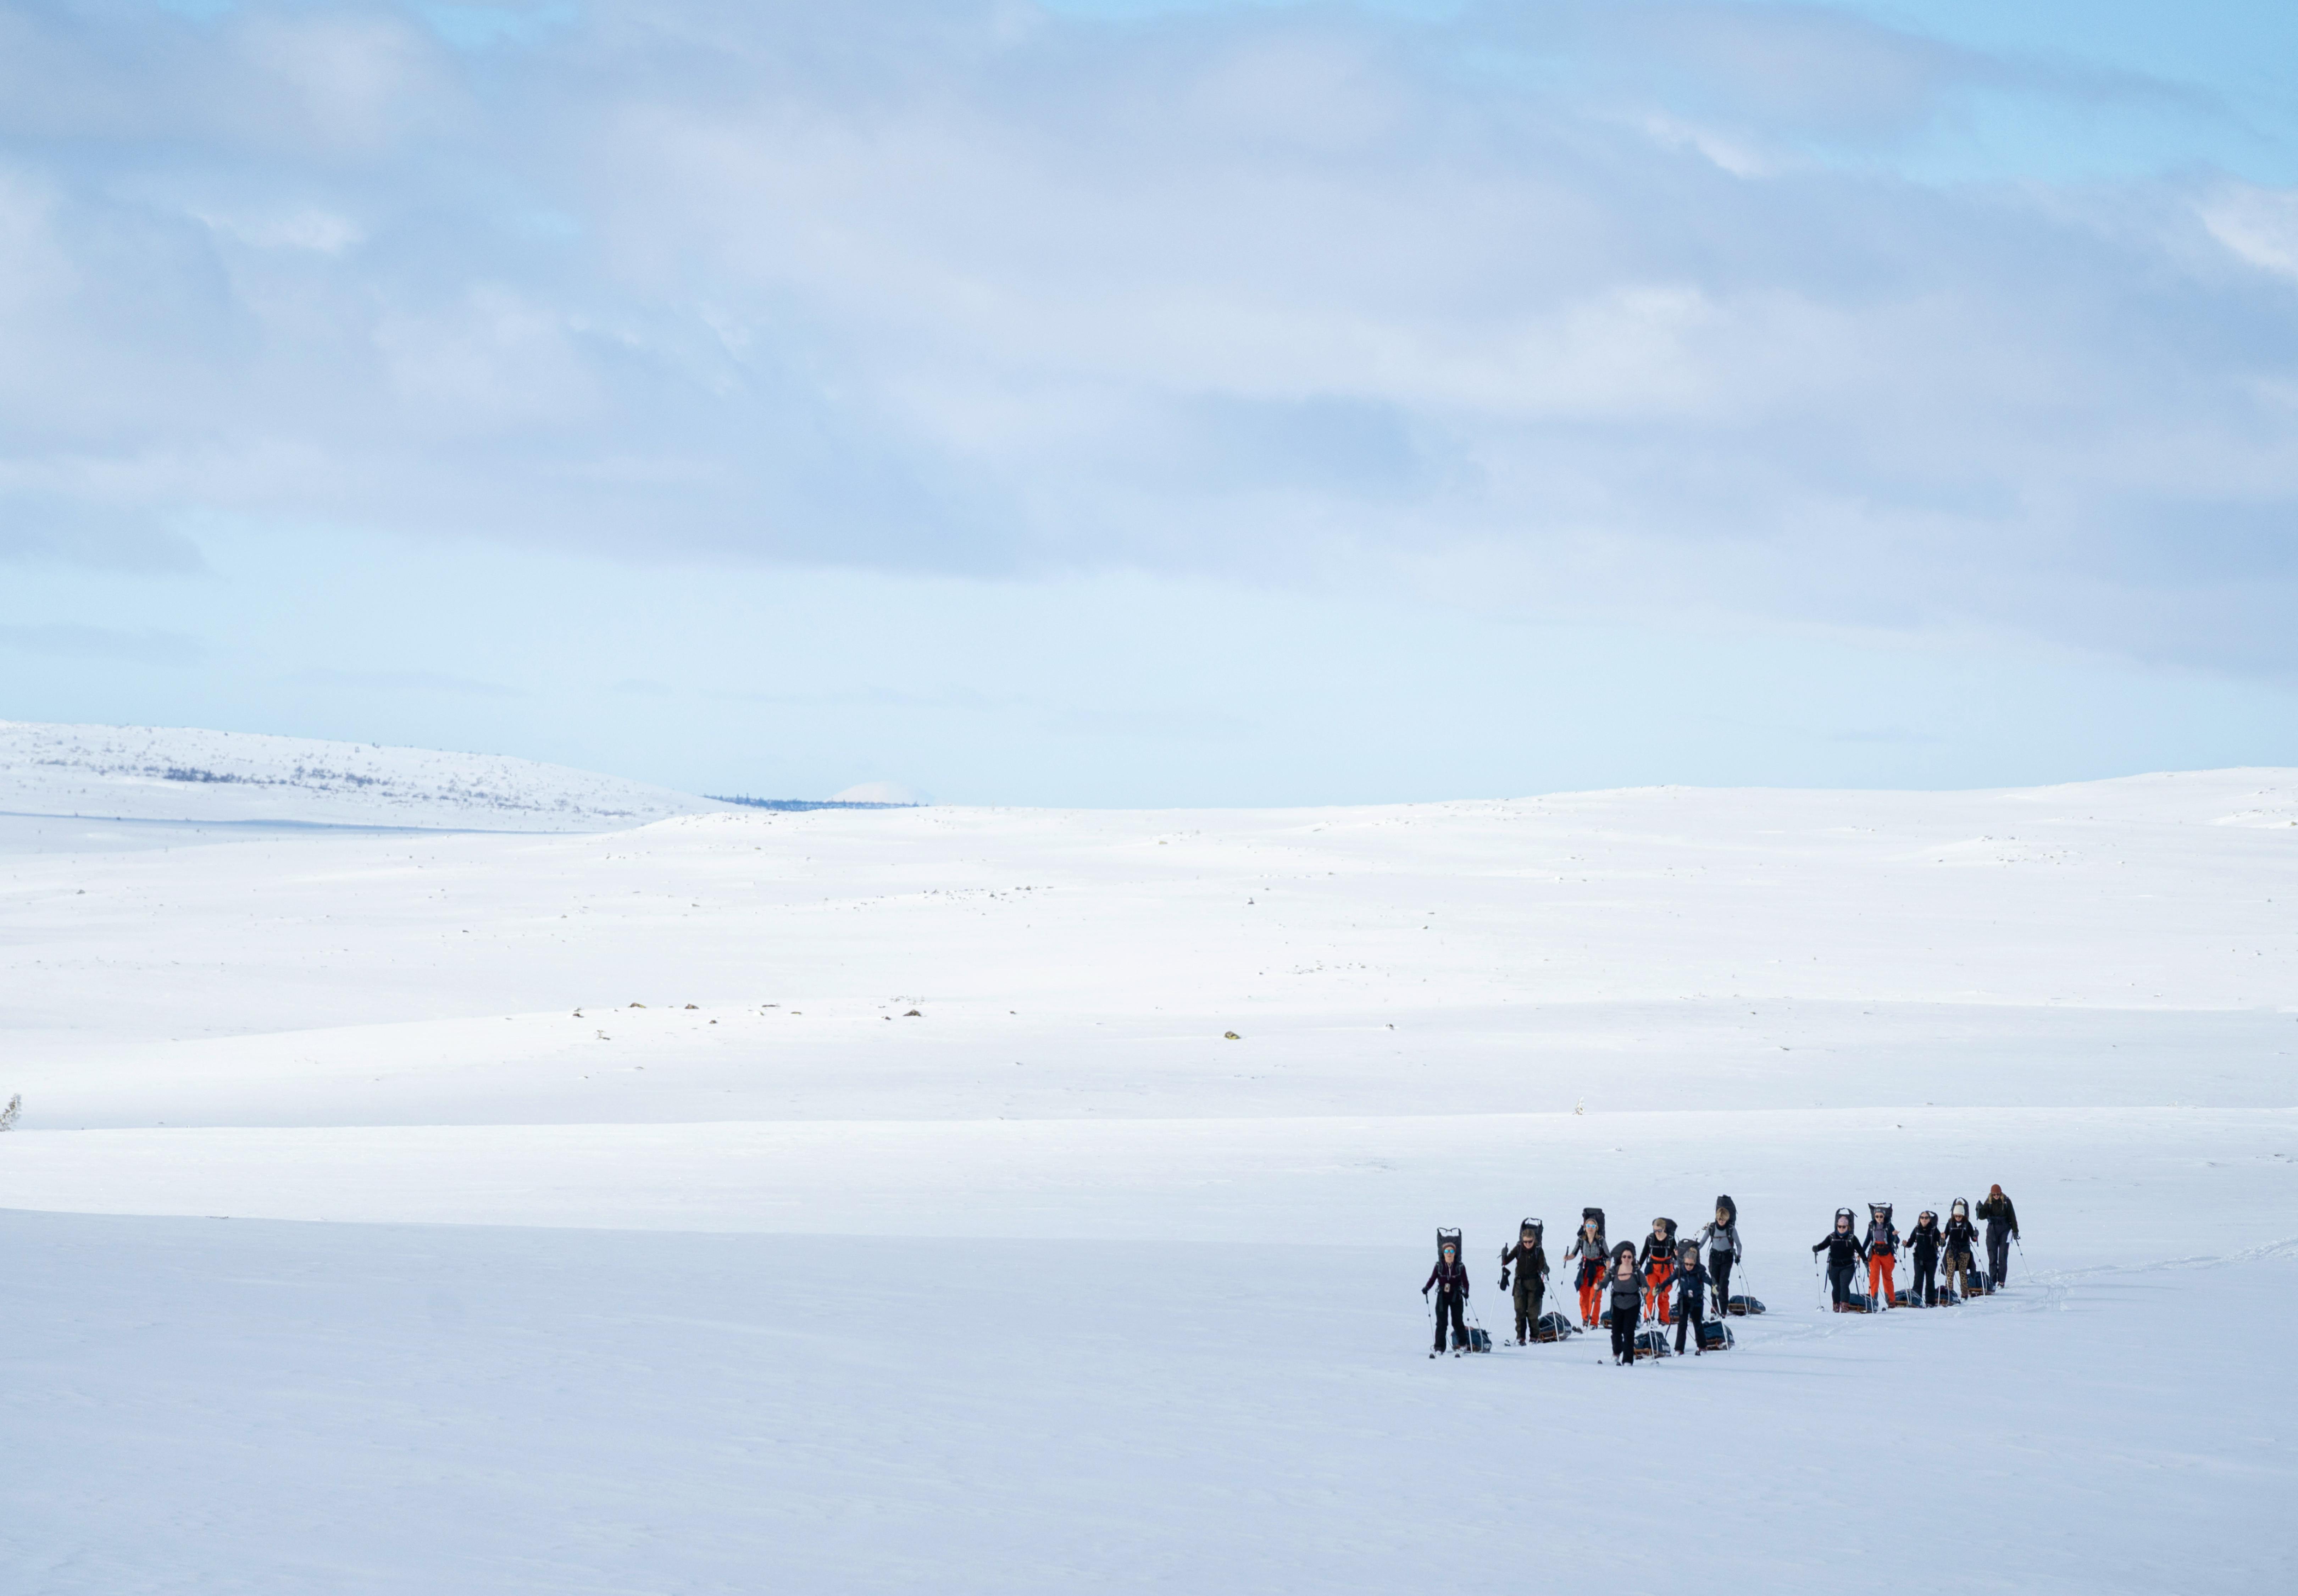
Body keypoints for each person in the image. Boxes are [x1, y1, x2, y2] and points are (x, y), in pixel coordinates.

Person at [1500, 1219, 1549, 1344]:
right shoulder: (1519, 1249)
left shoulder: (1539, 1251)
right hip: (1520, 1285)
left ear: (1534, 1240)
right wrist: (1504, 1255)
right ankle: (1520, 1337)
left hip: (1535, 1284)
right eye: (1525, 1242)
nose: (1527, 1244)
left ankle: (1534, 1337)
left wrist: (1545, 1269)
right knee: (1520, 1311)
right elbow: (1506, 1261)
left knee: (1533, 1313)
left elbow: (1543, 1267)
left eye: (1530, 1242)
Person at [1424, 1231, 1470, 1356]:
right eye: (1447, 1252)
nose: (1449, 1254)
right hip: (1442, 1297)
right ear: (1443, 1253)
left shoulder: (1460, 1267)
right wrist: (1427, 1288)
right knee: (1441, 1322)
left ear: (1455, 1253)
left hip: (1457, 1296)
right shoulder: (1439, 1266)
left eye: (1451, 1252)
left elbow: (1466, 1282)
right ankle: (1439, 1347)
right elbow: (1433, 1279)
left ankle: (1463, 1345)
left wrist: (1466, 1292)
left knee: (1457, 1322)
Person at [1812, 1208, 1866, 1310]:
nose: (1841, 1229)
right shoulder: (1832, 1237)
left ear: (1848, 1227)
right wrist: (1817, 1249)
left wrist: (1865, 1260)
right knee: (1836, 1287)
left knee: (1844, 1285)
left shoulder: (1852, 1238)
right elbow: (1824, 1245)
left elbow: (1860, 1250)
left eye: (1844, 1227)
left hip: (1848, 1266)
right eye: (1840, 1226)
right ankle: (1836, 1306)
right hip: (1834, 1266)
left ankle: (1845, 1306)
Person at [1697, 1195, 1743, 1317]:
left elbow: (1739, 1244)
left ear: (1727, 1219)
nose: (1720, 1221)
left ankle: (1723, 1309)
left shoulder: (1731, 1229)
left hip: (1727, 1258)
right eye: (1719, 1219)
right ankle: (1715, 1306)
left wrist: (1739, 1256)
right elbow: (1702, 1243)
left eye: (1722, 1219)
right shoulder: (1712, 1228)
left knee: (1723, 1283)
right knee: (1714, 1283)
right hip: (1714, 1257)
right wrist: (1694, 1250)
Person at [1565, 1212, 1608, 1328]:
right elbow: (1574, 1253)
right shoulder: (1581, 1240)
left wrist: (1608, 1270)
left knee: (1595, 1294)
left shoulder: (1601, 1240)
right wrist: (1568, 1258)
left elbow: (1608, 1256)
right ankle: (1586, 1319)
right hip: (1585, 1268)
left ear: (1596, 1228)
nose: (1590, 1229)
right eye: (1588, 1226)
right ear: (1585, 1228)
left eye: (1593, 1227)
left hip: (1599, 1269)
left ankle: (1593, 1322)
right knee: (1584, 1295)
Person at [1670, 1240, 1712, 1355]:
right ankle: (1679, 1349)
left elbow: (1709, 1281)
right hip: (1684, 1300)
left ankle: (1702, 1347)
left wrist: (1715, 1287)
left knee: (1698, 1324)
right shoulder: (1680, 1270)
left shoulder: (1700, 1271)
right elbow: (1670, 1280)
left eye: (1691, 1265)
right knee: (1682, 1324)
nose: (1689, 1267)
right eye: (1687, 1264)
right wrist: (1660, 1288)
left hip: (1697, 1300)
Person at [1637, 1217, 1679, 1324]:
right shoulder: (1650, 1238)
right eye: (1655, 1231)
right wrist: (1640, 1264)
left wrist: (1677, 1256)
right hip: (1653, 1269)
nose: (1657, 1233)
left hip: (1666, 1269)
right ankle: (1648, 1318)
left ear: (1664, 1229)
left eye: (1659, 1231)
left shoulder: (1670, 1240)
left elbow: (1676, 1257)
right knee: (1650, 1293)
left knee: (1664, 1294)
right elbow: (1645, 1252)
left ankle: (1664, 1319)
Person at [1607, 1247, 1644, 1365]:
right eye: (1624, 1257)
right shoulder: (1615, 1270)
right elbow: (1604, 1281)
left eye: (1629, 1257)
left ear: (1633, 1259)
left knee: (1629, 1332)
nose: (1627, 1259)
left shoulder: (1637, 1272)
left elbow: (1646, 1285)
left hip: (1633, 1304)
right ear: (1621, 1258)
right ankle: (1617, 1352)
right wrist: (1599, 1286)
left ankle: (1628, 1359)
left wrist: (1645, 1289)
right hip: (1617, 1304)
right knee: (1616, 1331)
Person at [1977, 1184, 2019, 1287]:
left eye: (1998, 1194)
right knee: (1992, 1257)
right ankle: (1993, 1280)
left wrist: (2015, 1231)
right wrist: (1979, 1210)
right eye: (1994, 1194)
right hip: (1992, 1230)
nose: (1996, 1196)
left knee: (2003, 1256)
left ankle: (2002, 1281)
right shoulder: (1989, 1202)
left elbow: (2012, 1216)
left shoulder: (2006, 1201)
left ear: (2001, 1193)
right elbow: (1982, 1217)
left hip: (2005, 1230)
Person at [1942, 1199, 1980, 1298]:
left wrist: (1976, 1236)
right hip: (1952, 1250)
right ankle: (1949, 1293)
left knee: (1963, 1273)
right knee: (1950, 1272)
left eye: (1960, 1216)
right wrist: (1942, 1239)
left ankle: (1964, 1293)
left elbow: (1973, 1238)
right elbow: (1945, 1237)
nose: (1958, 1218)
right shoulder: (1950, 1223)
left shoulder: (1967, 1224)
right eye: (1956, 1216)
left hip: (1964, 1251)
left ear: (1963, 1215)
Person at [1864, 1203, 1900, 1309]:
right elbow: (1868, 1240)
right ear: (1874, 1217)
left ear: (1884, 1217)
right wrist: (1861, 1253)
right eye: (1877, 1216)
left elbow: (1896, 1241)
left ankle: (1891, 1302)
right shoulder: (1872, 1226)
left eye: (1881, 1216)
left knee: (1887, 1278)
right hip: (1875, 1253)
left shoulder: (1889, 1226)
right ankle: (1872, 1300)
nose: (1879, 1219)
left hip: (1887, 1253)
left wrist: (1895, 1236)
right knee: (1874, 1277)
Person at [1905, 1210, 1942, 1306]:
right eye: (1922, 1218)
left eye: (1926, 1218)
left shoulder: (1934, 1230)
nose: (1924, 1220)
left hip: (1931, 1260)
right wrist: (1906, 1244)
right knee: (1918, 1280)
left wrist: (1942, 1239)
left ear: (1930, 1220)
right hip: (1919, 1259)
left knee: (1930, 1281)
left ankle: (1930, 1302)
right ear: (1920, 1219)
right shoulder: (1917, 1229)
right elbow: (1911, 1242)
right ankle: (1916, 1301)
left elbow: (1941, 1243)